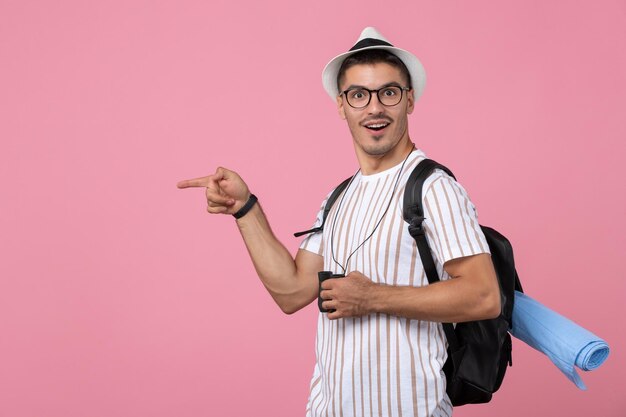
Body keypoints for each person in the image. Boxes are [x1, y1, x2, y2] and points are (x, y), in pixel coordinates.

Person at [178, 27, 501, 417]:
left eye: (389, 92)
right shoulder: (338, 198)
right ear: (342, 105)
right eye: (359, 95)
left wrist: (373, 297)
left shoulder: (434, 187)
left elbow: (484, 296)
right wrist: (245, 209)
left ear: (409, 100)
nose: (375, 108)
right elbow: (293, 292)